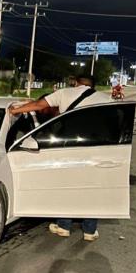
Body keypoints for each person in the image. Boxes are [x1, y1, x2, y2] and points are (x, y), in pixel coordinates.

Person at [8, 75, 111, 241]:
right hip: (95, 147)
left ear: (76, 83)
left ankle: (64, 226)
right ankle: (90, 231)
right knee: (92, 189)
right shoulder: (106, 99)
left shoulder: (65, 93)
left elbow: (38, 105)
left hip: (69, 146)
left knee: (67, 186)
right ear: (93, 86)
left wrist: (14, 111)